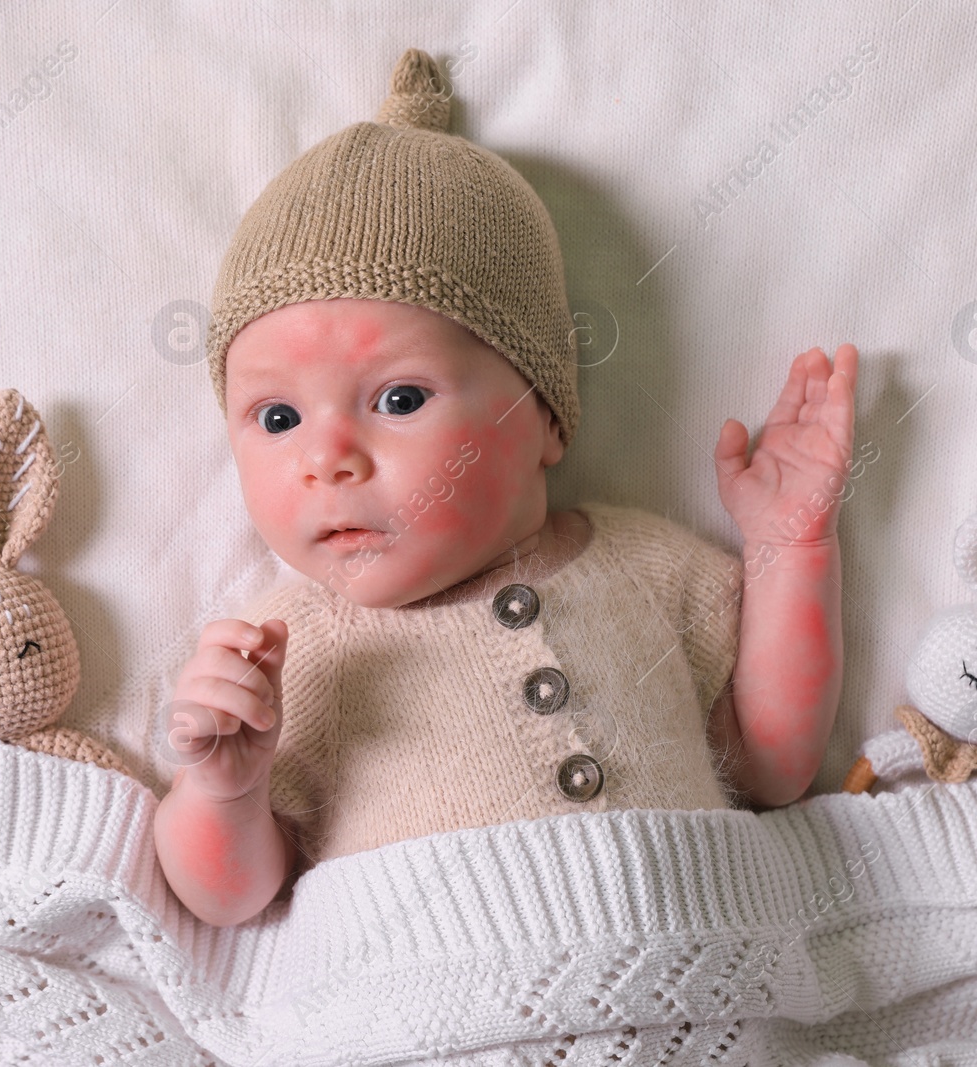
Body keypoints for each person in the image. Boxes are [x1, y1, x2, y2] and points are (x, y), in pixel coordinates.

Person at [152, 48, 858, 927]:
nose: (325, 459)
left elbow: (773, 764)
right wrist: (223, 787)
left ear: (547, 418)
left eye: (399, 399)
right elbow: (231, 899)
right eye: (277, 417)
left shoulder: (644, 567)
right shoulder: (290, 653)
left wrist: (790, 547)